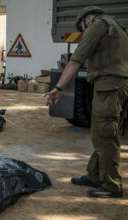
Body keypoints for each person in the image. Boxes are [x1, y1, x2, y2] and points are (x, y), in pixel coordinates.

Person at [46, 6, 128, 198]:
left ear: (87, 19)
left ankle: (112, 185)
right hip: (117, 85)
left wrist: (58, 88)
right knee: (103, 131)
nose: (83, 31)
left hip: (109, 86)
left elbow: (76, 60)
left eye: (82, 28)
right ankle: (94, 175)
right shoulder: (117, 28)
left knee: (105, 135)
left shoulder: (98, 25)